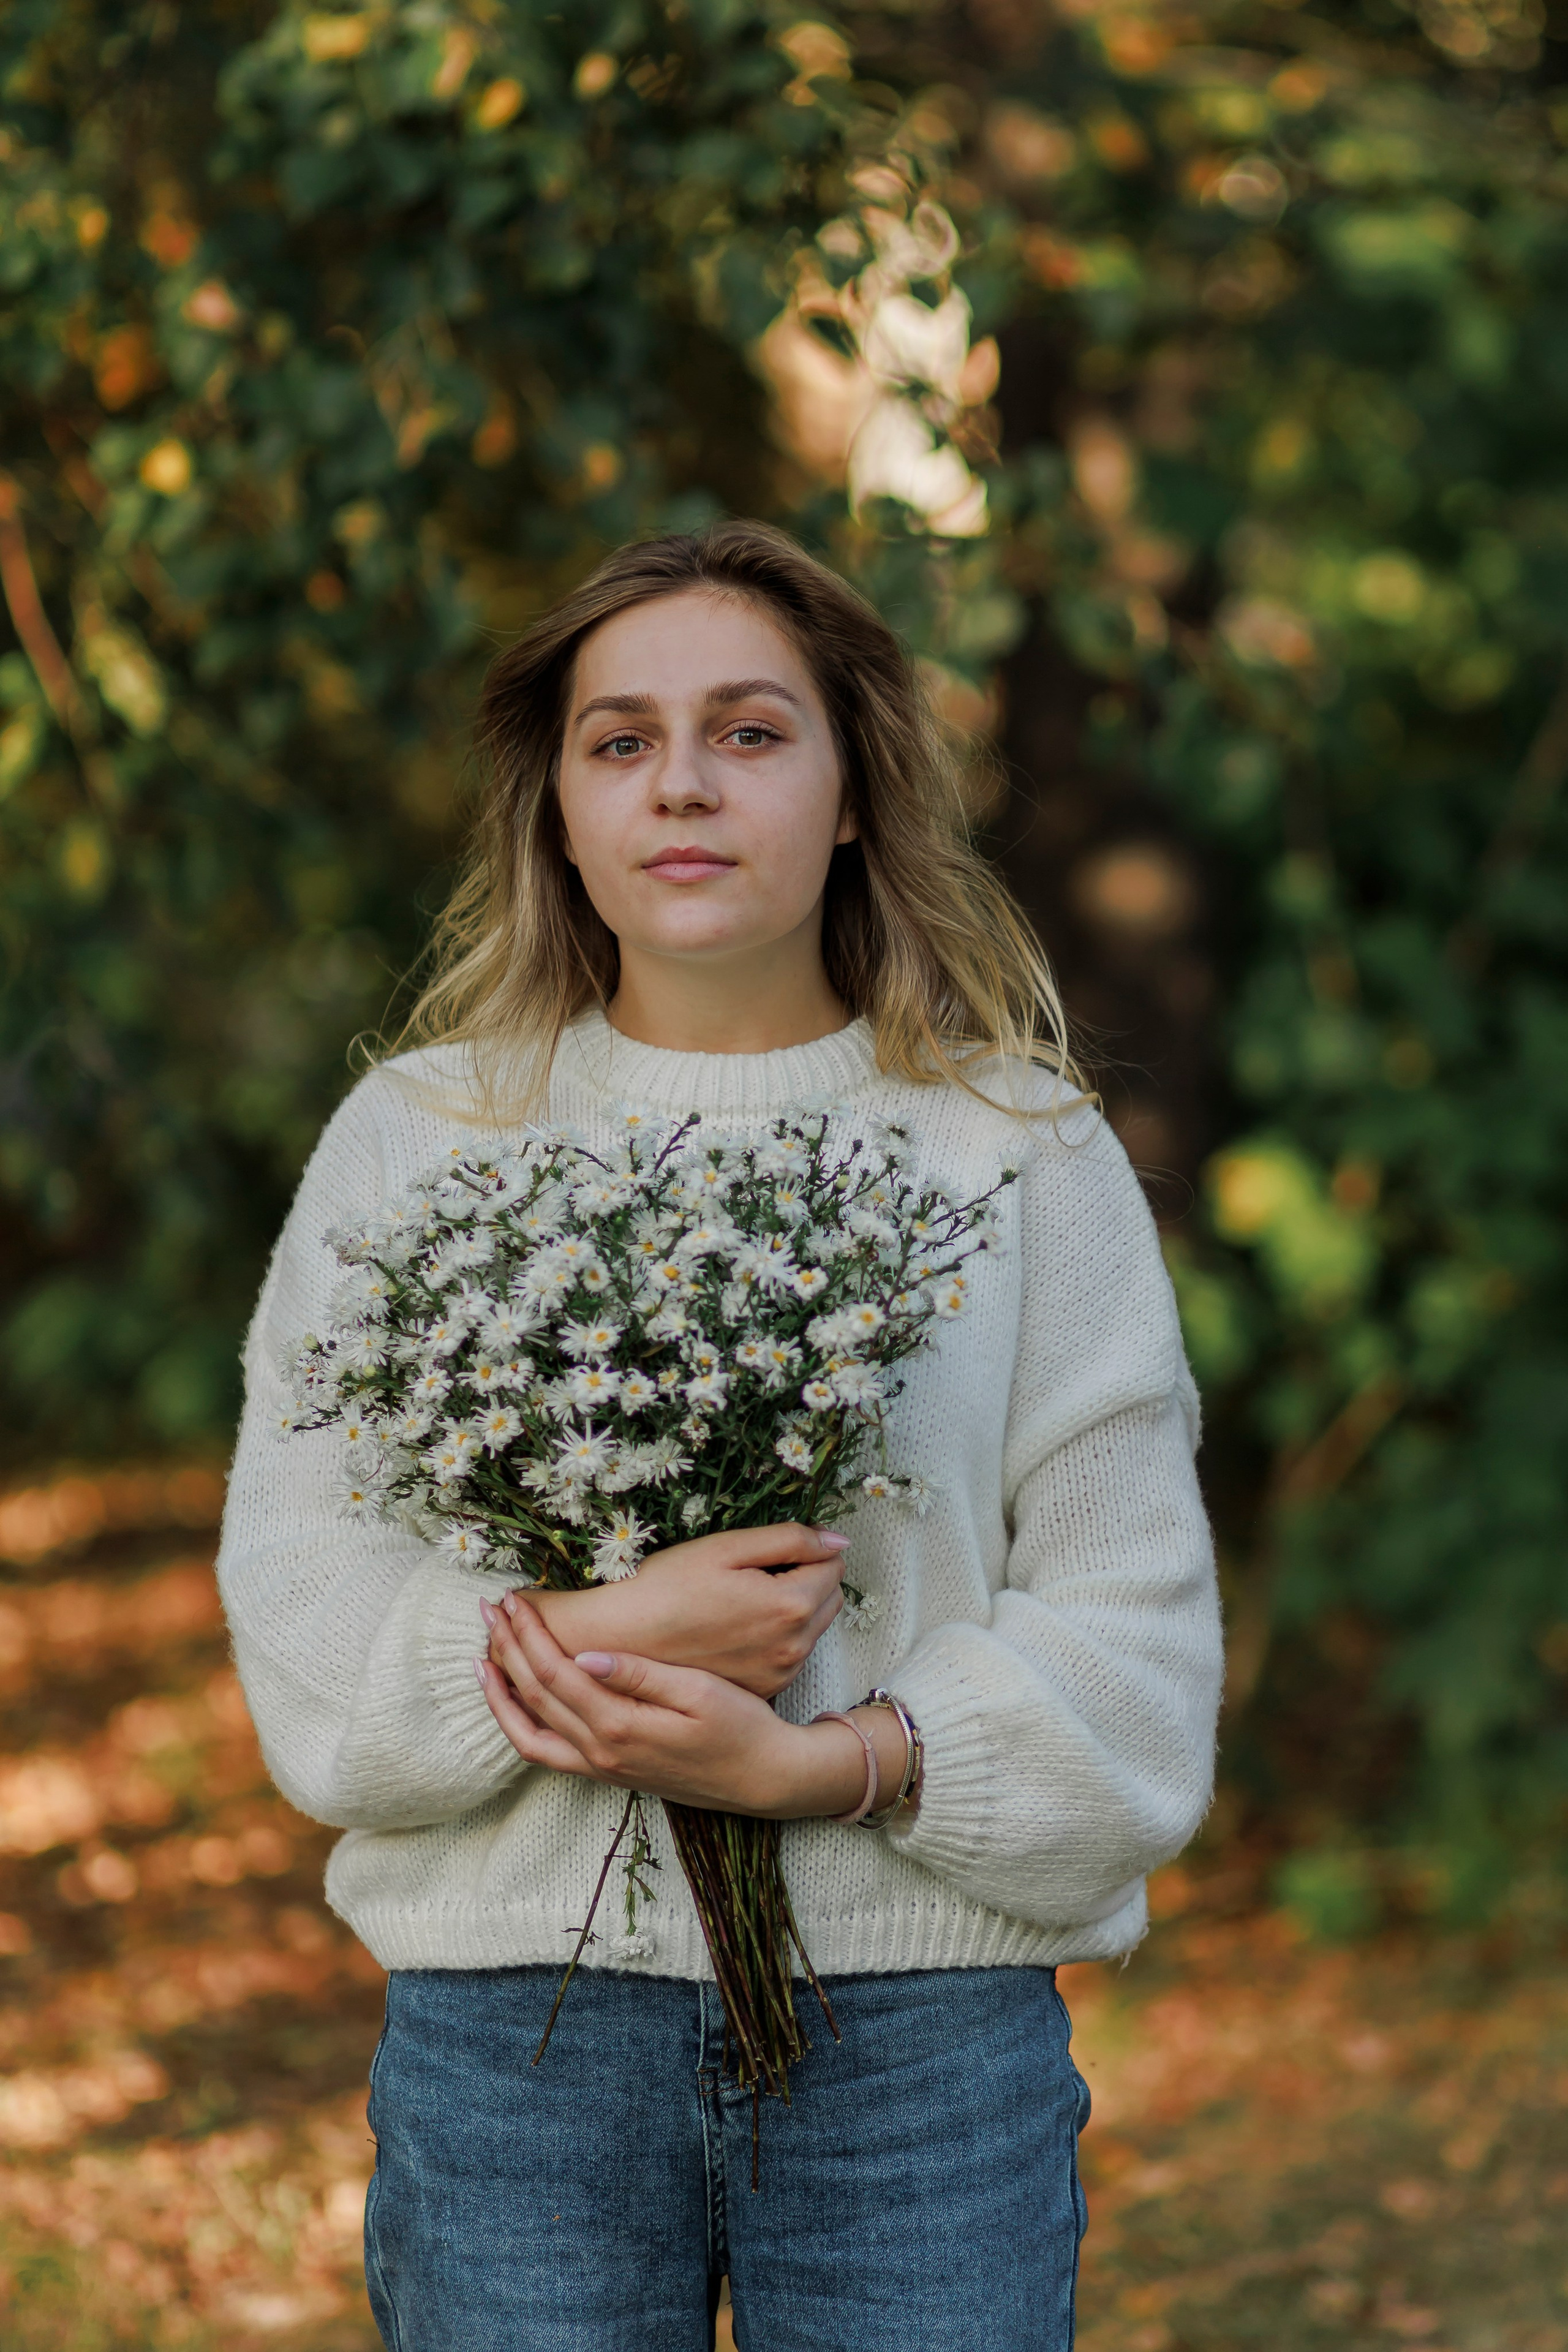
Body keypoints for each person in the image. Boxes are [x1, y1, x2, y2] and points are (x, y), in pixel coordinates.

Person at [216, 521, 1223, 2352]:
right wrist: (613, 1635)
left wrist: (828, 1767)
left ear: (851, 790)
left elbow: (1136, 1646)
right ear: (561, 807)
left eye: (750, 732)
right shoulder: (421, 1139)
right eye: (620, 741)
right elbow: (304, 1615)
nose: (680, 782)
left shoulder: (1017, 1153)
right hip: (516, 2044)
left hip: (921, 2053)